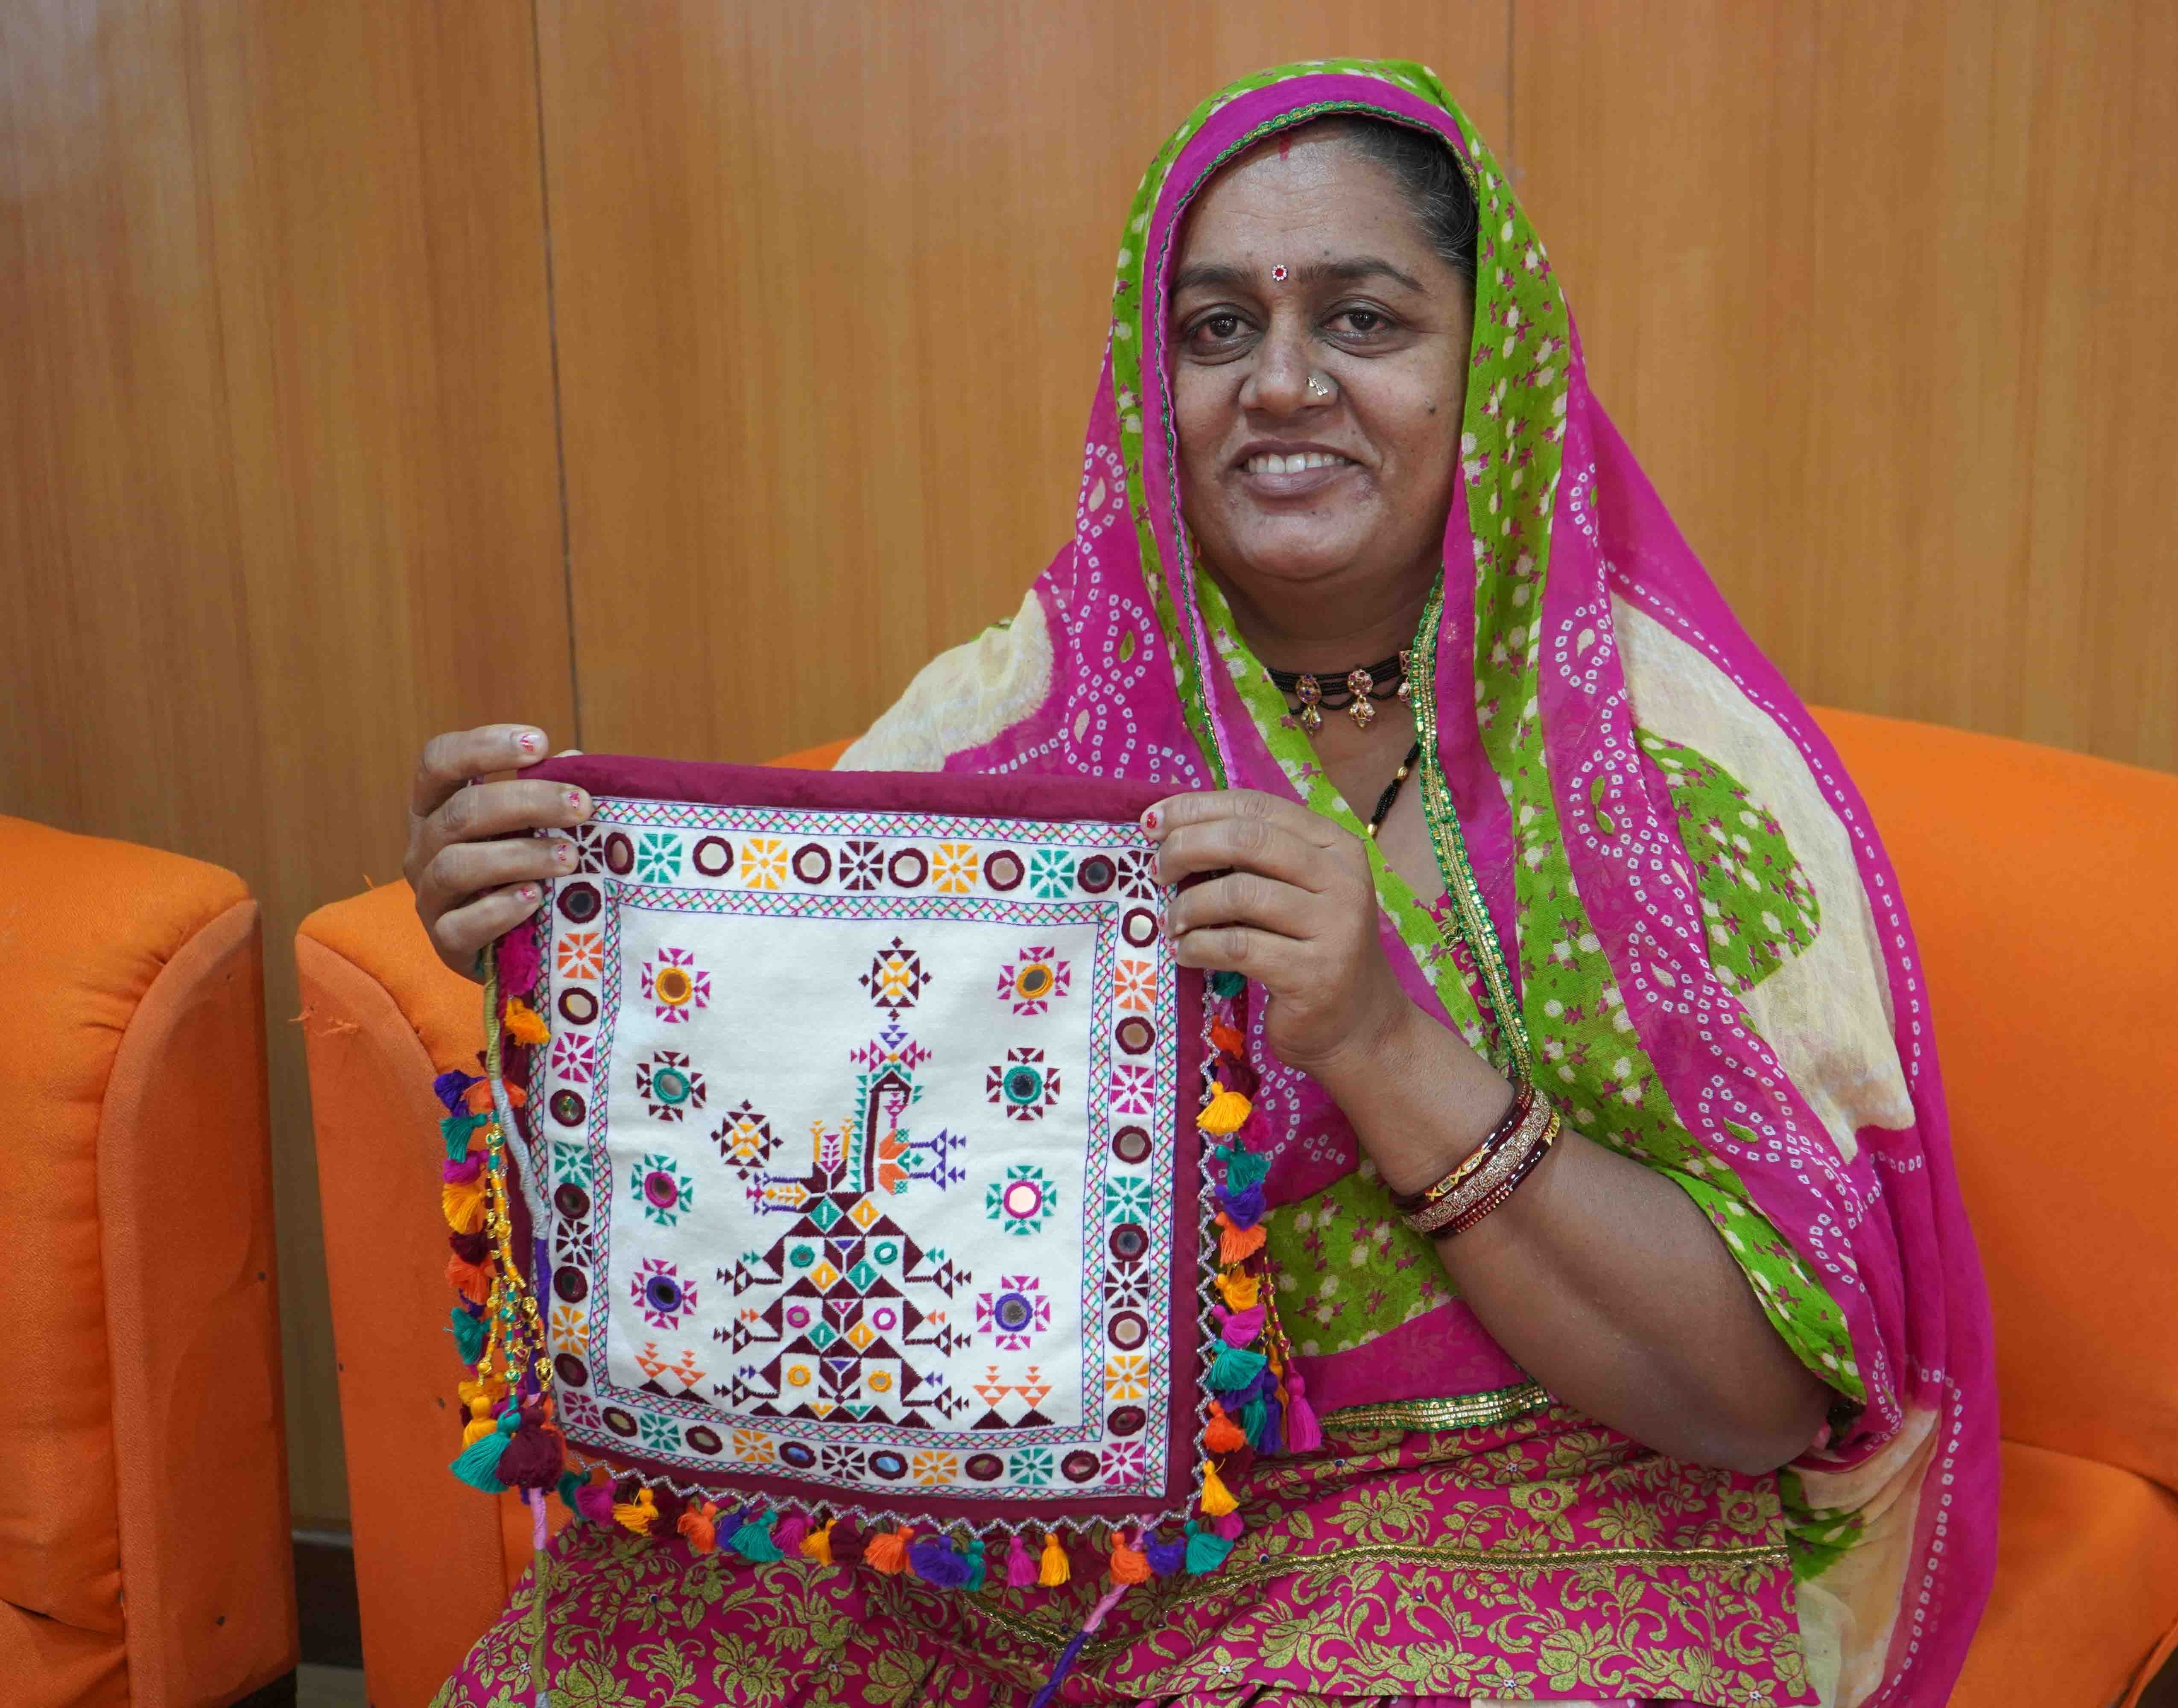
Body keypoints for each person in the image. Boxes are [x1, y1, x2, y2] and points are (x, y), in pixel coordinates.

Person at [406, 59, 1994, 1708]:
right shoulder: (1014, 722)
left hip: (1523, 1504)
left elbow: (1752, 1404)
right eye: (1218, 328)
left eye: (1366, 322)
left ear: (1492, 363)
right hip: (1028, 1511)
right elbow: (803, 1140)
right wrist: (567, 928)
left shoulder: (1666, 775)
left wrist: (1382, 1041)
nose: (1284, 383)